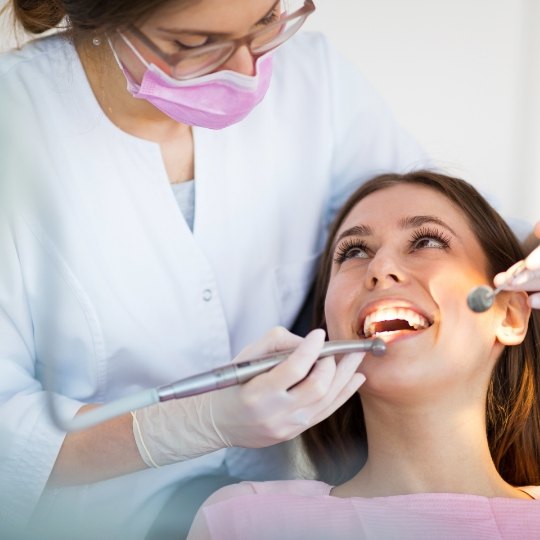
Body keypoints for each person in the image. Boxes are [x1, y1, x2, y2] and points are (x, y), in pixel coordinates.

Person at [0, 0, 427, 538]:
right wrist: (189, 425)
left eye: (266, 21)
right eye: (195, 43)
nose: (248, 73)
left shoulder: (314, 83)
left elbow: (438, 225)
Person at [188, 170, 540, 540]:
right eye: (354, 252)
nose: (379, 268)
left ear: (510, 315)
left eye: (427, 242)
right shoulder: (243, 522)